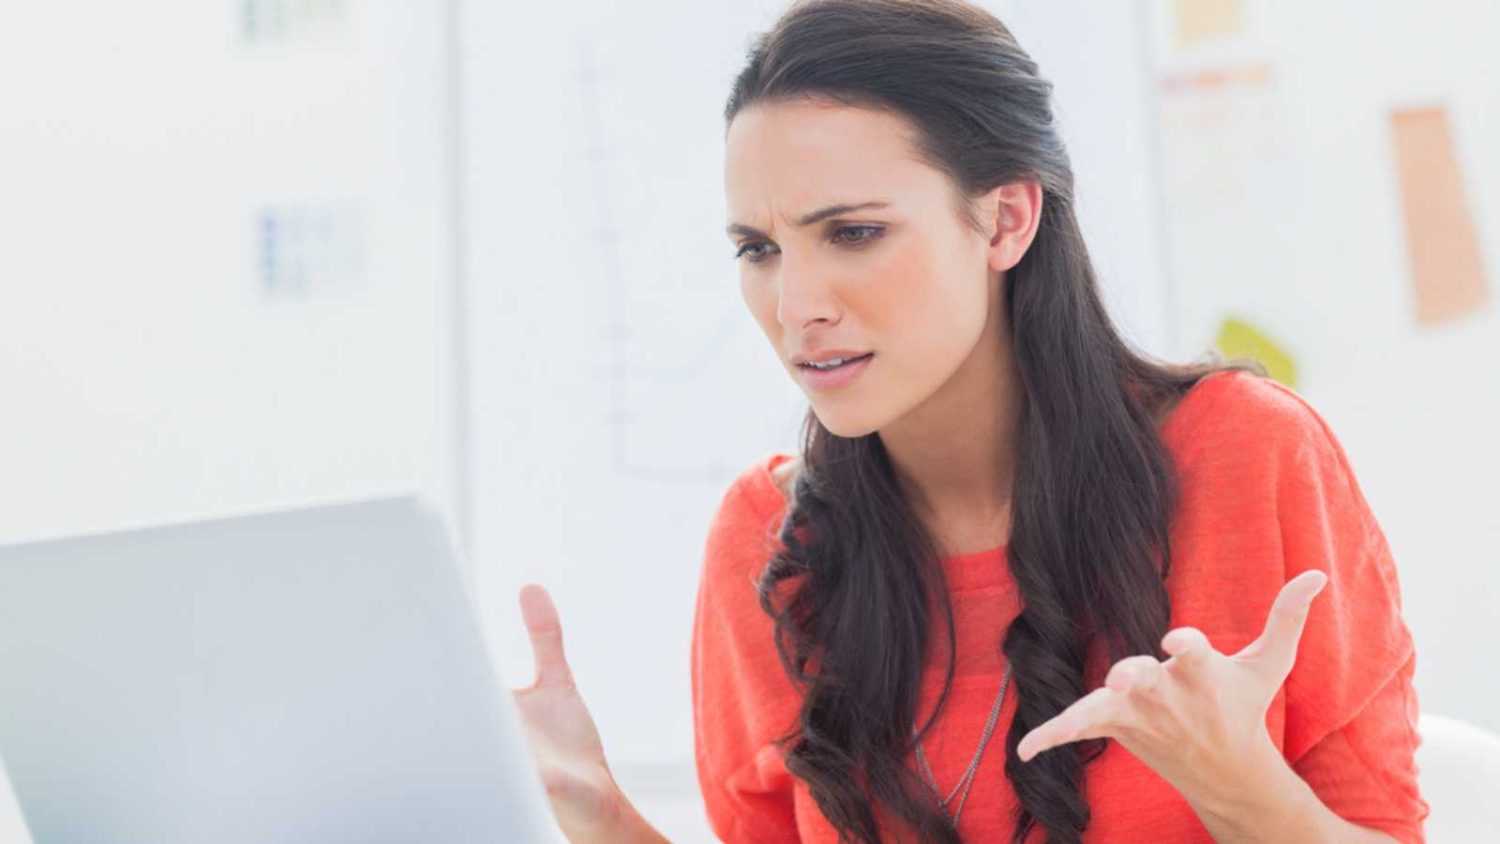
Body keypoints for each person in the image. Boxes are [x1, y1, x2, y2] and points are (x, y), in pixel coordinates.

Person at [509, 0, 1430, 841]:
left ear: (1004, 222)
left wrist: (1240, 789)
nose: (794, 306)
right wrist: (595, 810)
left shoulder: (1245, 454)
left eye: (854, 233)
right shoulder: (768, 540)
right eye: (759, 249)